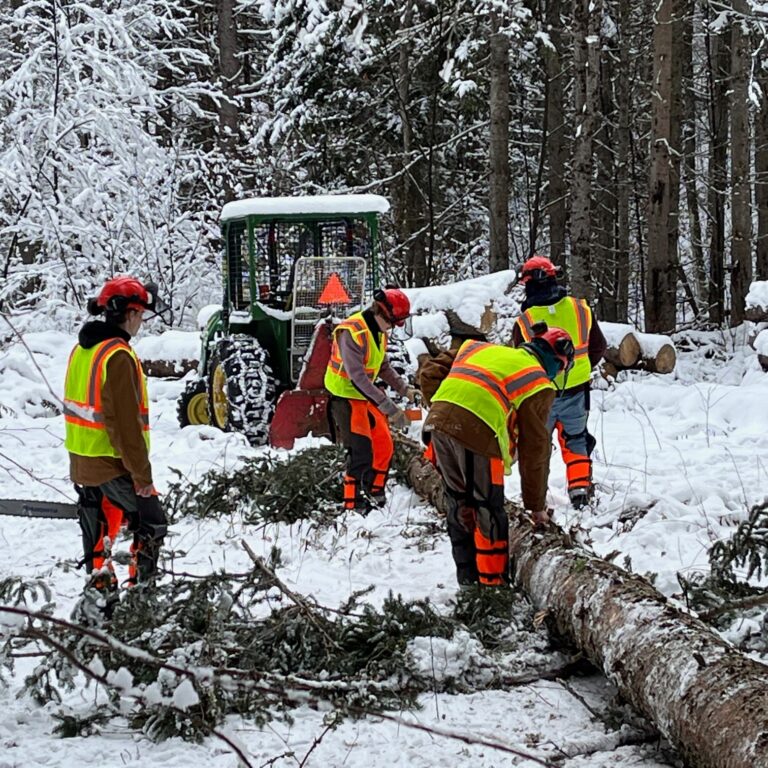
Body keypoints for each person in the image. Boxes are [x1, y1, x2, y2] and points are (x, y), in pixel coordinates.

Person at [419, 326, 575, 587]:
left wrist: (443, 411)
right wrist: (536, 506)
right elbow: (535, 449)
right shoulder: (537, 382)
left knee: (458, 503)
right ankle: (493, 588)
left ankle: (467, 581)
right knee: (487, 510)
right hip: (478, 435)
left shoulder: (477, 348)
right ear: (558, 361)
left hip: (437, 428)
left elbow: (429, 373)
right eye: (560, 369)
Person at [63, 276, 168, 609]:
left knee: (98, 532)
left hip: (82, 461)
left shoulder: (83, 349)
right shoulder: (117, 356)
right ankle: (142, 602)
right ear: (132, 313)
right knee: (150, 522)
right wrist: (143, 479)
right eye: (141, 314)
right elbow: (125, 428)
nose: (142, 322)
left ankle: (101, 598)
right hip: (110, 464)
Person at [512, 256, 607, 510]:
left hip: (540, 395)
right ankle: (580, 491)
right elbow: (598, 347)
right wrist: (579, 369)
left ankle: (536, 498)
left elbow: (518, 362)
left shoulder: (526, 321)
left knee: (537, 445)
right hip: (577, 392)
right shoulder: (581, 309)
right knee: (576, 438)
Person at [324, 287, 416, 514]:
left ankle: (374, 490)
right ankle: (352, 502)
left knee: (384, 443)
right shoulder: (352, 332)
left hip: (364, 396)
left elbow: (383, 367)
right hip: (346, 395)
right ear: (381, 313)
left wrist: (406, 390)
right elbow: (358, 378)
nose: (393, 328)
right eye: (392, 323)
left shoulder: (378, 331)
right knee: (360, 449)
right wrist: (390, 408)